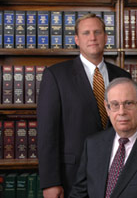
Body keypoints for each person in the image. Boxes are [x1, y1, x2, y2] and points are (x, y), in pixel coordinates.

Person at [37, 13, 131, 198]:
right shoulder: (56, 76)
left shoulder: (122, 76)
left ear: (106, 37)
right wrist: (50, 182)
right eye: (86, 33)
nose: (93, 37)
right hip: (72, 174)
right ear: (77, 40)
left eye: (97, 32)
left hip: (118, 171)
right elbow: (47, 133)